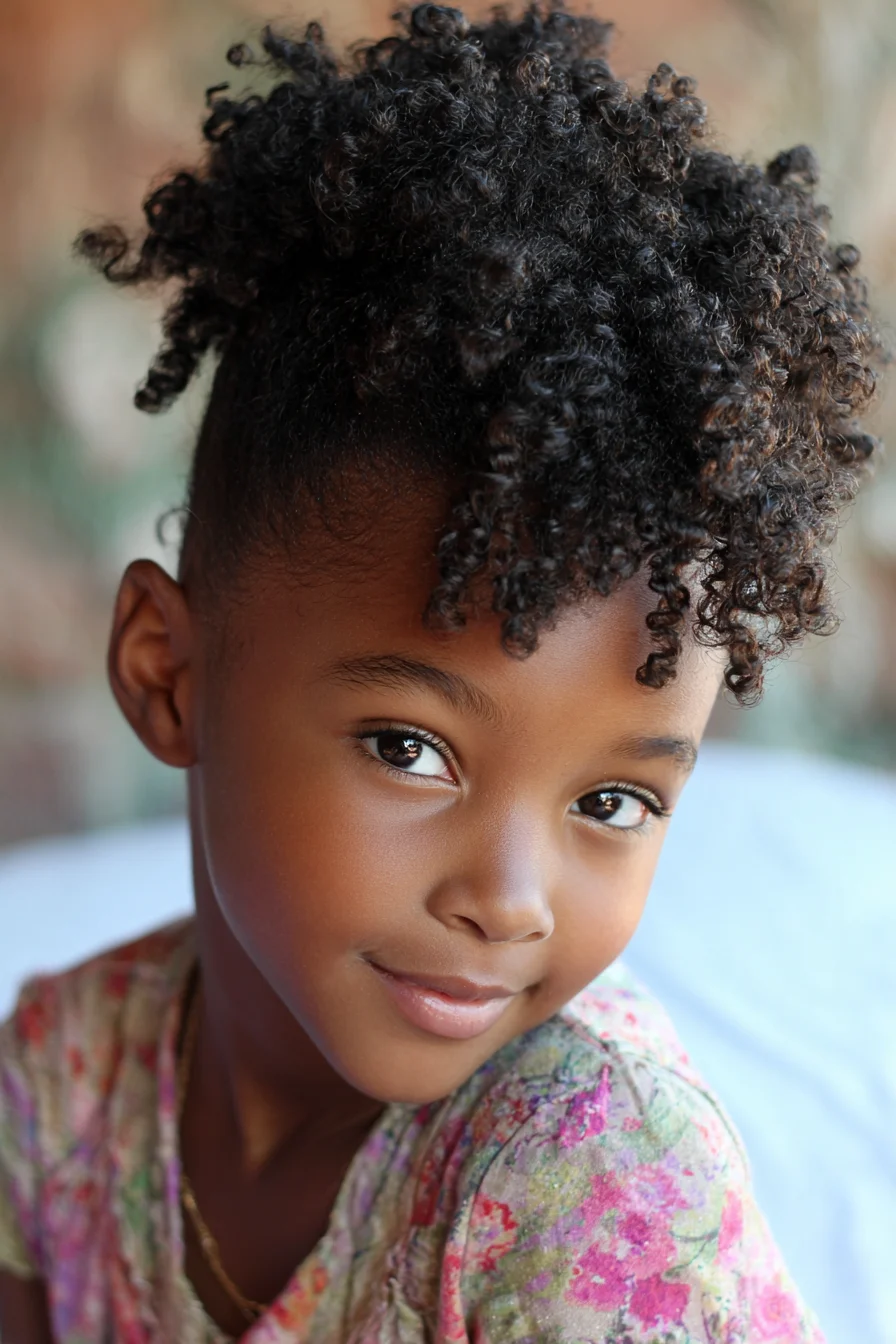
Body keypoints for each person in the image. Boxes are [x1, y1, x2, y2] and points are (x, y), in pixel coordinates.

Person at [0, 2, 884, 1339]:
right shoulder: (65, 1082)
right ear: (168, 674)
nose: (512, 902)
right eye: (411, 748)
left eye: (613, 804)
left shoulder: (591, 1183)